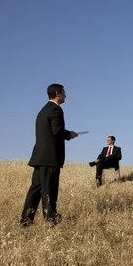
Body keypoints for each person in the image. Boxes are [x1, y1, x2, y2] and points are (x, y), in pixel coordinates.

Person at [20, 84, 78, 227]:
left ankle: (26, 220)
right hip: (50, 157)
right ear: (57, 94)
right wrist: (69, 134)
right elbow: (57, 131)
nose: (65, 95)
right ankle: (50, 220)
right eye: (64, 92)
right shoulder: (56, 110)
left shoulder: (43, 110)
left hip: (39, 156)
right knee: (49, 189)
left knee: (35, 189)